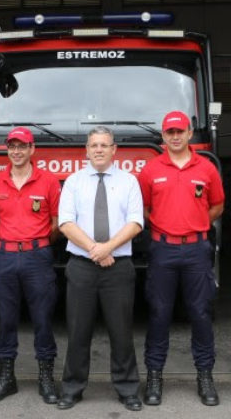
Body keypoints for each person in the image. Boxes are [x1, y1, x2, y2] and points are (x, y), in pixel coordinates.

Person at [137, 111, 224, 406]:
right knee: (159, 314)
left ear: (189, 133)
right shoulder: (150, 170)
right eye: (169, 132)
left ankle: (205, 376)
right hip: (163, 249)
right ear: (163, 137)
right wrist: (167, 228)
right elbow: (144, 210)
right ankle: (154, 376)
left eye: (180, 131)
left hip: (197, 250)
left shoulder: (207, 168)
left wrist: (194, 224)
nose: (175, 136)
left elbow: (217, 206)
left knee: (200, 313)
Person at [56, 126, 144, 411]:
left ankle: (128, 388)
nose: (98, 150)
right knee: (78, 331)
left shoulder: (129, 181)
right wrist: (96, 250)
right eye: (94, 145)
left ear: (114, 149)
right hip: (81, 267)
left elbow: (135, 223)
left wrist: (108, 248)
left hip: (118, 267)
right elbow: (66, 223)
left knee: (121, 332)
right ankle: (72, 388)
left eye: (104, 145)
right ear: (86, 149)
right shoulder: (73, 181)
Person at [0, 127, 61, 404]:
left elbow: (55, 224)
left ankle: (46, 379)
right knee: (6, 321)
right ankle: (6, 379)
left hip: (37, 257)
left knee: (42, 320)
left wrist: (33, 242)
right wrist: (11, 240)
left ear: (32, 149)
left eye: (22, 146)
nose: (16, 151)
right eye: (12, 146)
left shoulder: (48, 182)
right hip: (4, 257)